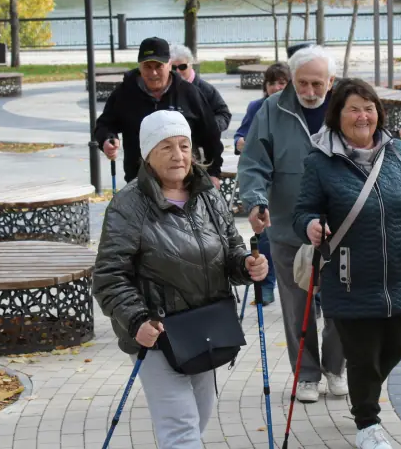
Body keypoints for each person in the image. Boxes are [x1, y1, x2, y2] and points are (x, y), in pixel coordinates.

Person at [93, 110, 268, 449]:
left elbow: (230, 250)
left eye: (184, 146)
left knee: (199, 417)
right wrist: (136, 320)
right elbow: (108, 276)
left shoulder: (208, 195)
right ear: (147, 154)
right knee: (181, 429)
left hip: (205, 327)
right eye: (166, 147)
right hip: (158, 333)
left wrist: (247, 265)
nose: (178, 155)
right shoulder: (128, 206)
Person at [293, 78, 401, 449]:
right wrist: (311, 225)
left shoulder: (398, 152)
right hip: (347, 276)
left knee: (398, 344)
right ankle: (368, 424)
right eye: (354, 108)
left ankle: (365, 395)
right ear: (337, 115)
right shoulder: (320, 160)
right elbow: (302, 211)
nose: (363, 116)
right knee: (362, 356)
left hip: (395, 273)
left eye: (369, 107)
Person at [238, 44, 347, 403]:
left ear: (331, 81)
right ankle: (306, 374)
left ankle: (335, 367)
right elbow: (253, 163)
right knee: (296, 306)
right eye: (303, 84)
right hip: (287, 226)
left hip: (340, 227)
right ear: (291, 79)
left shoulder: (346, 106)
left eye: (318, 84)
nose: (310, 92)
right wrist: (255, 200)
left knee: (340, 304)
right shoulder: (272, 109)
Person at [94, 37, 224, 186]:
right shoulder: (124, 93)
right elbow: (104, 125)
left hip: (186, 180)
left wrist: (214, 173)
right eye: (147, 67)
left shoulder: (189, 93)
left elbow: (211, 135)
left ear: (169, 64)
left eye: (158, 66)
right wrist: (107, 140)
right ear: (139, 66)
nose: (153, 73)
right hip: (139, 180)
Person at [232, 62, 291, 306]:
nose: (277, 87)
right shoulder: (258, 107)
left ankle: (314, 293)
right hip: (265, 185)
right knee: (265, 237)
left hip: (291, 183)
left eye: (282, 83)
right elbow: (240, 135)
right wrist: (242, 143)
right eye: (272, 83)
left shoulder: (295, 110)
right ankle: (266, 287)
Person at [168, 44, 232, 132]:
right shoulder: (161, 89)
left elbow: (224, 114)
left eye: (182, 67)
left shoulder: (206, 90)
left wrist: (207, 127)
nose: (178, 71)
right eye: (173, 68)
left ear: (191, 65)